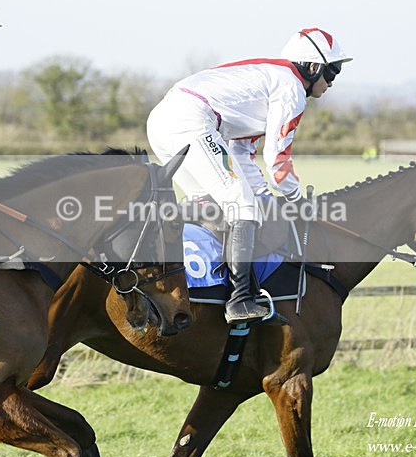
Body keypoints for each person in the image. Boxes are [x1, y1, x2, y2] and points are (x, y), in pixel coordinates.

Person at [147, 27, 352, 324]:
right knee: (241, 205)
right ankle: (240, 299)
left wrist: (265, 196)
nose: (332, 82)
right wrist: (295, 200)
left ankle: (210, 288)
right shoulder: (291, 88)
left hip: (165, 121)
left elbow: (242, 152)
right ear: (312, 67)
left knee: (213, 204)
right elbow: (278, 160)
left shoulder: (271, 81)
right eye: (332, 72)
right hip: (190, 120)